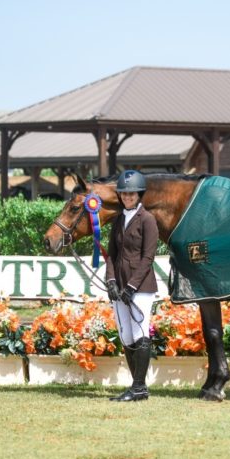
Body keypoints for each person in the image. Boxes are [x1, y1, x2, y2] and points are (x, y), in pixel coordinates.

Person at [105, 170, 159, 402]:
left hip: (141, 286)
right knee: (126, 336)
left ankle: (139, 387)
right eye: (124, 193)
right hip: (119, 287)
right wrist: (111, 282)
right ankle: (136, 386)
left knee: (139, 332)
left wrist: (132, 286)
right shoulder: (118, 220)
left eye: (131, 193)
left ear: (139, 194)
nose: (127, 197)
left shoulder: (147, 219)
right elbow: (111, 255)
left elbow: (148, 257)